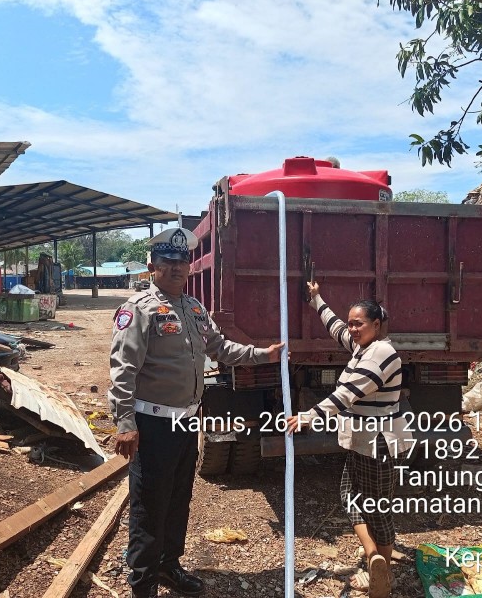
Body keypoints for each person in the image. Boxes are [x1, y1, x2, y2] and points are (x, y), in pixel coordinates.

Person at [108, 227, 285, 598]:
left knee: (177, 497)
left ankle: (169, 566)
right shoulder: (138, 310)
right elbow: (123, 369)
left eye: (181, 261)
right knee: (149, 504)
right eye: (167, 262)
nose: (176, 268)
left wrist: (263, 355)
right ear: (152, 265)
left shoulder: (193, 308)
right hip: (153, 423)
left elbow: (220, 348)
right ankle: (142, 583)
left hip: (186, 419)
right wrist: (125, 423)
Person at [287, 282, 411, 598]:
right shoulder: (363, 347)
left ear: (377, 325)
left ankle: (381, 572)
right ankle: (375, 556)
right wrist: (315, 298)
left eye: (359, 323)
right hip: (361, 440)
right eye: (352, 322)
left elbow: (347, 394)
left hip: (377, 442)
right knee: (350, 496)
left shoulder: (383, 354)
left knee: (375, 505)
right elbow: (336, 327)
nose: (352, 329)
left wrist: (307, 417)